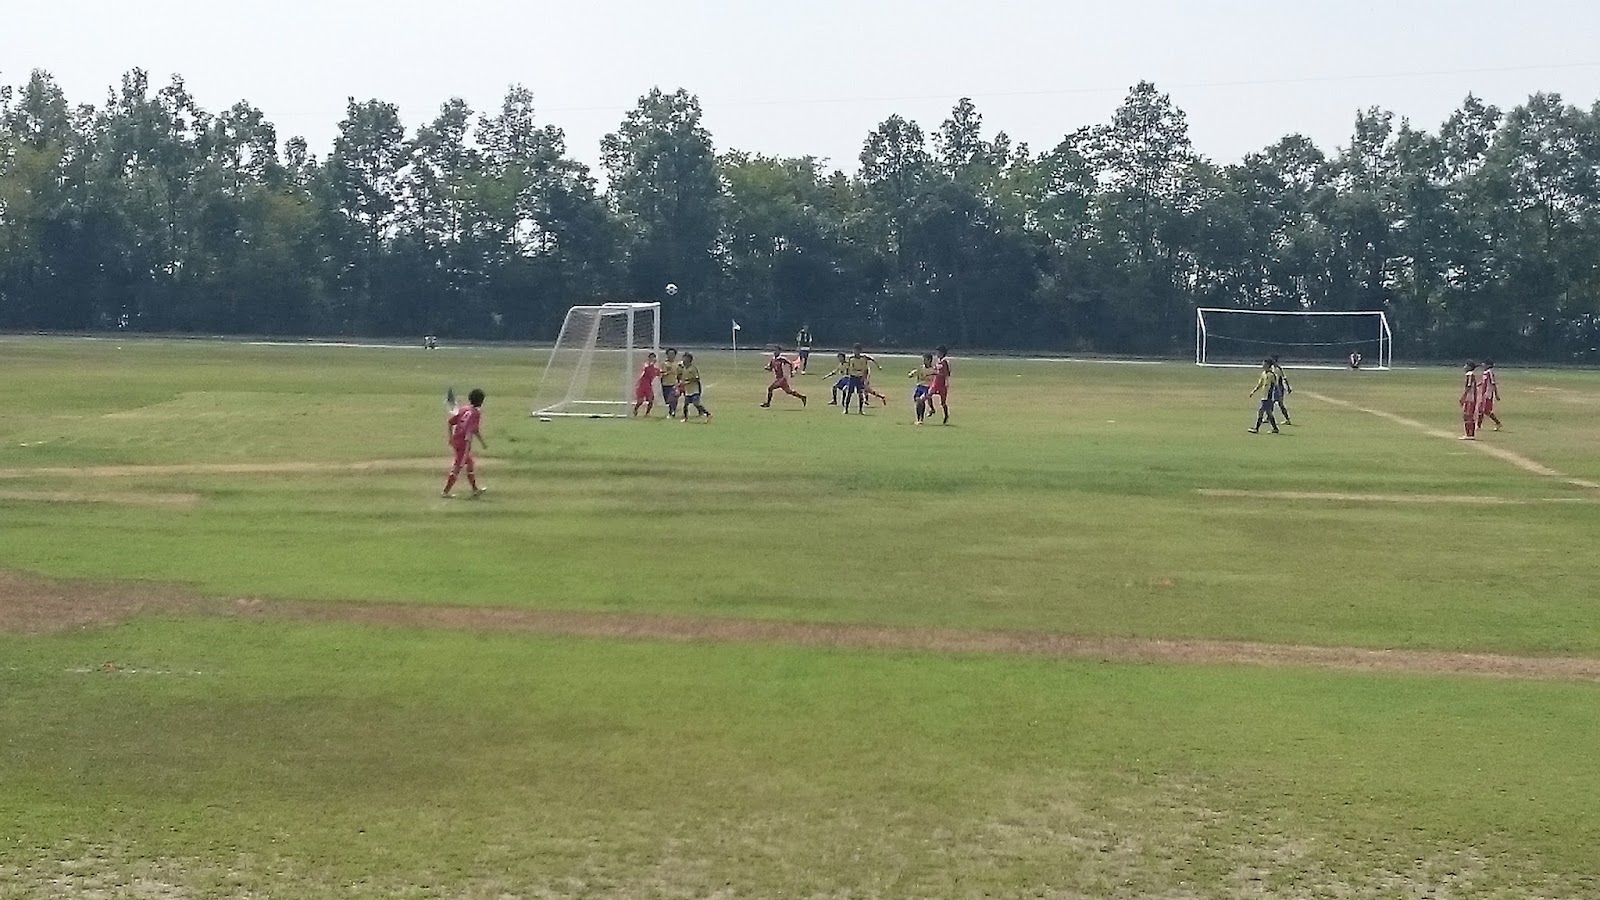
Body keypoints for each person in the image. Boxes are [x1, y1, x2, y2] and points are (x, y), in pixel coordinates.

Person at [442, 388, 488, 498]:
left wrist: (450, 438)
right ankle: (445, 492)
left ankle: (475, 489)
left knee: (470, 463)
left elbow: (450, 422)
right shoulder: (476, 413)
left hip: (457, 439)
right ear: (480, 401)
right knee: (458, 466)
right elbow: (474, 430)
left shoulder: (463, 409)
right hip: (464, 443)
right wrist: (481, 442)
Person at [1247, 360, 1281, 434]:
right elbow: (1260, 384)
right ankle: (1275, 428)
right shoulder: (1263, 374)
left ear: (1268, 365)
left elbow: (1276, 386)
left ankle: (1256, 428)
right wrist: (1253, 391)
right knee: (1269, 413)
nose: (1262, 365)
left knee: (1261, 411)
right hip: (1264, 396)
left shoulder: (1271, 375)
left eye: (1264, 364)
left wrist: (1277, 396)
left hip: (1268, 397)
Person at [677, 352, 712, 422]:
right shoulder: (684, 369)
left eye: (685, 358)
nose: (683, 360)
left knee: (696, 403)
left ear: (689, 359)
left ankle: (708, 414)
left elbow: (697, 378)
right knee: (685, 405)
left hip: (694, 389)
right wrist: (681, 383)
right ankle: (685, 418)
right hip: (688, 389)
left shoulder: (693, 368)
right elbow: (682, 378)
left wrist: (688, 381)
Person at [843, 344, 875, 414]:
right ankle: (846, 409)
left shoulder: (863, 359)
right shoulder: (851, 359)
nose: (855, 352)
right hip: (853, 377)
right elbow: (851, 369)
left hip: (860, 378)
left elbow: (865, 369)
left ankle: (860, 410)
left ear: (860, 351)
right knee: (849, 393)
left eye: (857, 350)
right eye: (854, 350)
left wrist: (863, 377)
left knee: (860, 394)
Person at [908, 353, 937, 424]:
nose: (924, 361)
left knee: (921, 401)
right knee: (918, 402)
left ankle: (921, 419)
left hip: (927, 388)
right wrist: (911, 374)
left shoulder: (933, 370)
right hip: (919, 387)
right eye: (923, 359)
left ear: (929, 360)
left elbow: (937, 377)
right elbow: (914, 373)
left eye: (925, 359)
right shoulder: (921, 368)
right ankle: (918, 419)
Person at [928, 346, 952, 425]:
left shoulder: (944, 362)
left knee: (943, 402)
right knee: (928, 395)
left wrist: (946, 381)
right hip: (936, 383)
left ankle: (946, 416)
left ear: (942, 353)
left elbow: (946, 373)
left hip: (942, 384)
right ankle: (932, 409)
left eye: (938, 352)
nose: (937, 354)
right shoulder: (938, 361)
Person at [633, 352, 661, 416]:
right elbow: (644, 370)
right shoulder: (645, 365)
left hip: (648, 385)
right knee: (640, 401)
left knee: (651, 400)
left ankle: (647, 413)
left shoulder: (655, 369)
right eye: (651, 358)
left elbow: (659, 374)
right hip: (642, 385)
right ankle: (635, 409)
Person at [1478, 359, 1502, 432]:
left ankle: (1498, 423)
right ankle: (1478, 425)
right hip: (1484, 393)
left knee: (1486, 411)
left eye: (1484, 364)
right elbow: (1484, 381)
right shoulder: (1485, 373)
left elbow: (1493, 383)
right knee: (1480, 409)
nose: (1483, 365)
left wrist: (1496, 394)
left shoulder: (1490, 373)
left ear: (1488, 365)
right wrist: (1479, 384)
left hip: (1488, 394)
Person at [1269, 354, 1293, 425]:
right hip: (1273, 388)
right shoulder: (1272, 368)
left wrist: (1288, 387)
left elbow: (1284, 378)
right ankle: (1269, 418)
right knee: (1271, 403)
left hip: (1278, 388)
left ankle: (1287, 419)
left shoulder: (1278, 369)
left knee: (1280, 404)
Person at [1459, 361, 1480, 440]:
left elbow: (1468, 387)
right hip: (1469, 398)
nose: (1464, 367)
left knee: (1468, 415)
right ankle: (1469, 434)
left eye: (1466, 365)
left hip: (1470, 398)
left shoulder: (1469, 375)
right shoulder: (1469, 375)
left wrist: (1463, 397)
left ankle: (1470, 434)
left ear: (1469, 367)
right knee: (1466, 415)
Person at [659, 348, 681, 417]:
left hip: (674, 384)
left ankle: (673, 411)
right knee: (668, 400)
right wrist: (667, 372)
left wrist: (679, 382)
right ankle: (671, 410)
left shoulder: (677, 364)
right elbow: (661, 374)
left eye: (673, 354)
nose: (671, 355)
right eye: (669, 354)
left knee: (674, 398)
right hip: (666, 384)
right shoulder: (664, 363)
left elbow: (679, 374)